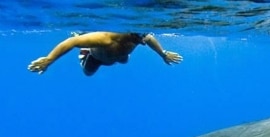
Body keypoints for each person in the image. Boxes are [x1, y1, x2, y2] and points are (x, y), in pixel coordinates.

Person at [28, 31, 183, 76]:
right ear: (130, 33)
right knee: (88, 72)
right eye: (140, 39)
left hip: (118, 56)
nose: (143, 42)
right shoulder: (105, 38)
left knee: (124, 60)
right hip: (96, 57)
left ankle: (121, 57)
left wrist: (163, 54)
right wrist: (49, 59)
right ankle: (84, 50)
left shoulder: (140, 36)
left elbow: (149, 39)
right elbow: (70, 42)